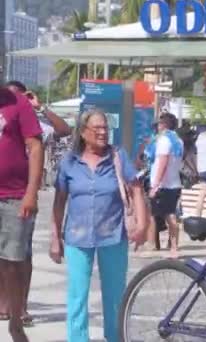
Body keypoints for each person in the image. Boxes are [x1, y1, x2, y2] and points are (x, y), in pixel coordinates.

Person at [50, 108, 147, 342]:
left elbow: (136, 189)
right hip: (77, 235)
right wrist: (55, 237)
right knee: (77, 296)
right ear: (83, 132)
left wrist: (142, 224)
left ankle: (115, 337)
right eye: (98, 128)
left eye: (106, 128)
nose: (103, 132)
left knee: (115, 296)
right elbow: (59, 201)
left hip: (112, 235)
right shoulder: (69, 162)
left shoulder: (118, 156)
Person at [0, 81, 71, 327]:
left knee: (19, 255)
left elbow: (64, 130)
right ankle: (5, 303)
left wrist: (41, 107)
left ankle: (20, 307)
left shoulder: (29, 113)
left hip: (16, 195)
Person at [0, 85, 43, 342]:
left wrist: (31, 191)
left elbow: (35, 147)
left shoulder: (18, 103)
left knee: (13, 262)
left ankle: (16, 320)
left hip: (14, 197)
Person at [149, 113, 184, 258]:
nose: (156, 127)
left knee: (158, 215)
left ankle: (154, 246)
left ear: (163, 125)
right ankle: (173, 246)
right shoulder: (178, 141)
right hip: (174, 183)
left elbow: (162, 163)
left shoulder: (164, 141)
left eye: (158, 124)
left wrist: (155, 185)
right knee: (171, 215)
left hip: (163, 185)